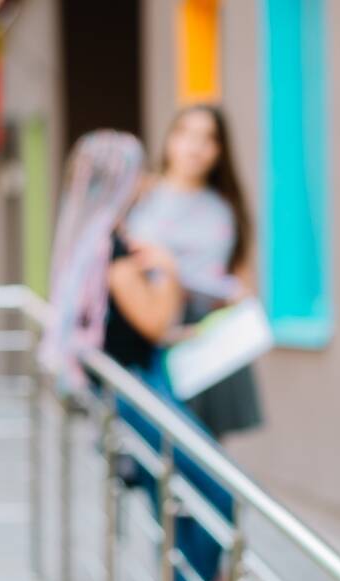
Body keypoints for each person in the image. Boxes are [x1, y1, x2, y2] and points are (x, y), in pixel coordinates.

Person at [41, 130, 232, 581]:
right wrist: (167, 270)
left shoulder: (92, 241)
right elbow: (153, 320)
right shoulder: (118, 248)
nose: (147, 180)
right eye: (140, 170)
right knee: (218, 488)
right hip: (135, 392)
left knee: (174, 501)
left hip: (129, 388)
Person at [125, 103, 262, 440]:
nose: (194, 146)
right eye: (185, 133)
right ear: (170, 139)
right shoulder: (140, 196)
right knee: (154, 451)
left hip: (210, 342)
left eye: (208, 138)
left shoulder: (226, 205)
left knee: (206, 453)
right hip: (152, 335)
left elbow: (240, 276)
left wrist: (236, 299)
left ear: (220, 149)